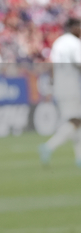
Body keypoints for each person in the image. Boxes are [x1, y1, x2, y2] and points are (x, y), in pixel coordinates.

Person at [39, 18, 81, 167]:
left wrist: (51, 85)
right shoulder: (75, 43)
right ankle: (49, 146)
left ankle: (79, 157)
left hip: (60, 86)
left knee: (76, 121)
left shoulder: (58, 42)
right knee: (76, 120)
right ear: (73, 27)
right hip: (72, 86)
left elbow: (52, 65)